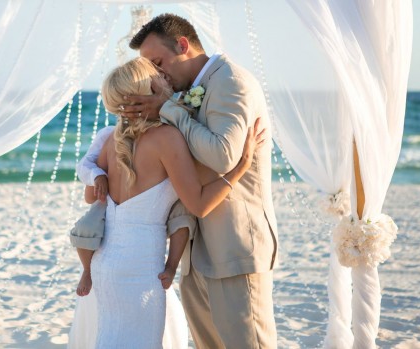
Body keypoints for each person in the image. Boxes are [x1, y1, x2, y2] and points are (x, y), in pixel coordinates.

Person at [69, 56, 266, 348]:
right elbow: (198, 204)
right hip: (140, 269)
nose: (166, 80)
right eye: (158, 77)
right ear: (148, 88)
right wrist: (241, 165)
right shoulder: (168, 139)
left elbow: (91, 196)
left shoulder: (111, 140)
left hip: (104, 265)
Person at [108, 14, 279, 348]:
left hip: (234, 249)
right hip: (195, 253)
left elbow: (222, 156)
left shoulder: (231, 81)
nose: (157, 75)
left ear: (183, 46)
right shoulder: (186, 92)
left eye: (158, 63)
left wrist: (169, 108)